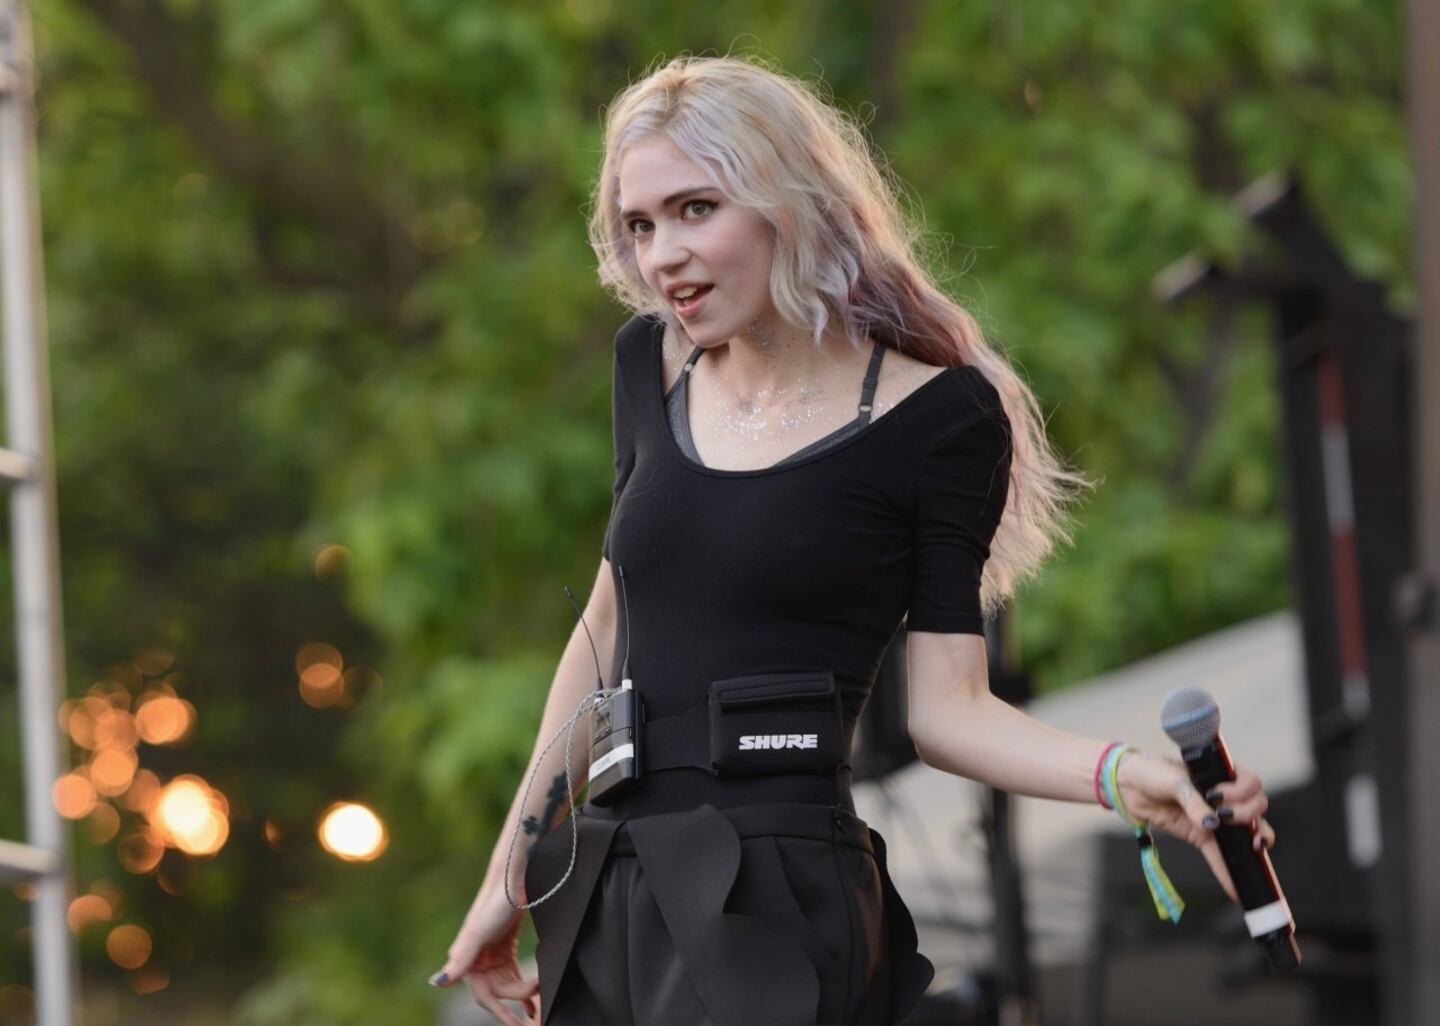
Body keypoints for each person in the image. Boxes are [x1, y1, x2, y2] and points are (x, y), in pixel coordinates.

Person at [428, 52, 1278, 1026]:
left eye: (696, 209)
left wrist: (1129, 779)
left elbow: (951, 713)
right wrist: (509, 880)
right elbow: (606, 631)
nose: (662, 256)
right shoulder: (649, 369)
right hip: (614, 888)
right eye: (641, 224)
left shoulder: (939, 418)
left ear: (787, 201)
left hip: (774, 900)